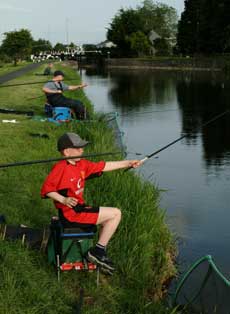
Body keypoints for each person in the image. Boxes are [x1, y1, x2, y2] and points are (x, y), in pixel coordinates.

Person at [41, 132, 143, 273]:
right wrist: (63, 199)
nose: (82, 150)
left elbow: (104, 166)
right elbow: (47, 189)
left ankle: (99, 252)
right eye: (78, 148)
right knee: (115, 214)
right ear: (66, 151)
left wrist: (128, 163)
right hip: (71, 215)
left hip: (80, 209)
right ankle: (97, 252)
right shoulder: (60, 168)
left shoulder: (82, 164)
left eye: (82, 147)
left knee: (109, 217)